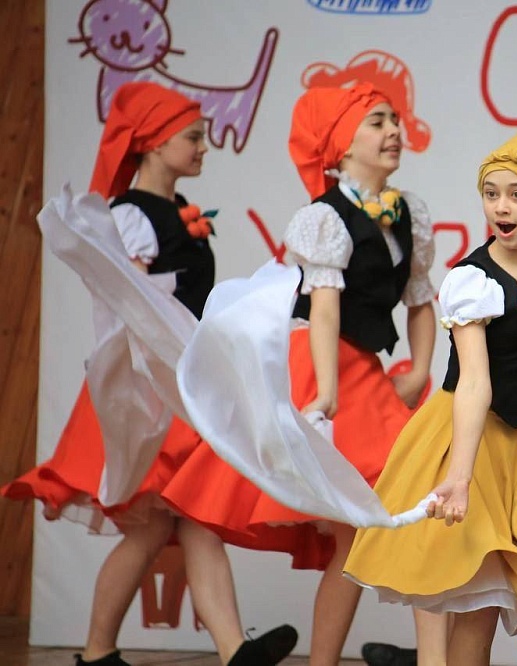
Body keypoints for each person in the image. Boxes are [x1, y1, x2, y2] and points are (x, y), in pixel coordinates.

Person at [1, 82, 297, 666]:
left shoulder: (169, 211)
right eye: (193, 137)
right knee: (169, 522)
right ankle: (130, 651)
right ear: (155, 143)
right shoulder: (130, 216)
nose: (204, 147)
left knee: (183, 521)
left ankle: (209, 651)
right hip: (152, 389)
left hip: (180, 381)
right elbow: (127, 304)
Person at [157, 83, 447, 666]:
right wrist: (327, 395)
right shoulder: (323, 217)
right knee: (388, 514)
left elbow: (420, 299)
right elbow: (324, 310)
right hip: (320, 365)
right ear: (341, 146)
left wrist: (419, 371)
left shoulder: (408, 212)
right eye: (376, 122)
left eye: (394, 120)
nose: (393, 131)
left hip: (361, 367)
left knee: (380, 524)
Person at [342, 121, 517, 666]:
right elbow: (475, 383)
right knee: (478, 610)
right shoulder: (474, 281)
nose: (501, 206)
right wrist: (457, 479)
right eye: (491, 193)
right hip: (469, 444)